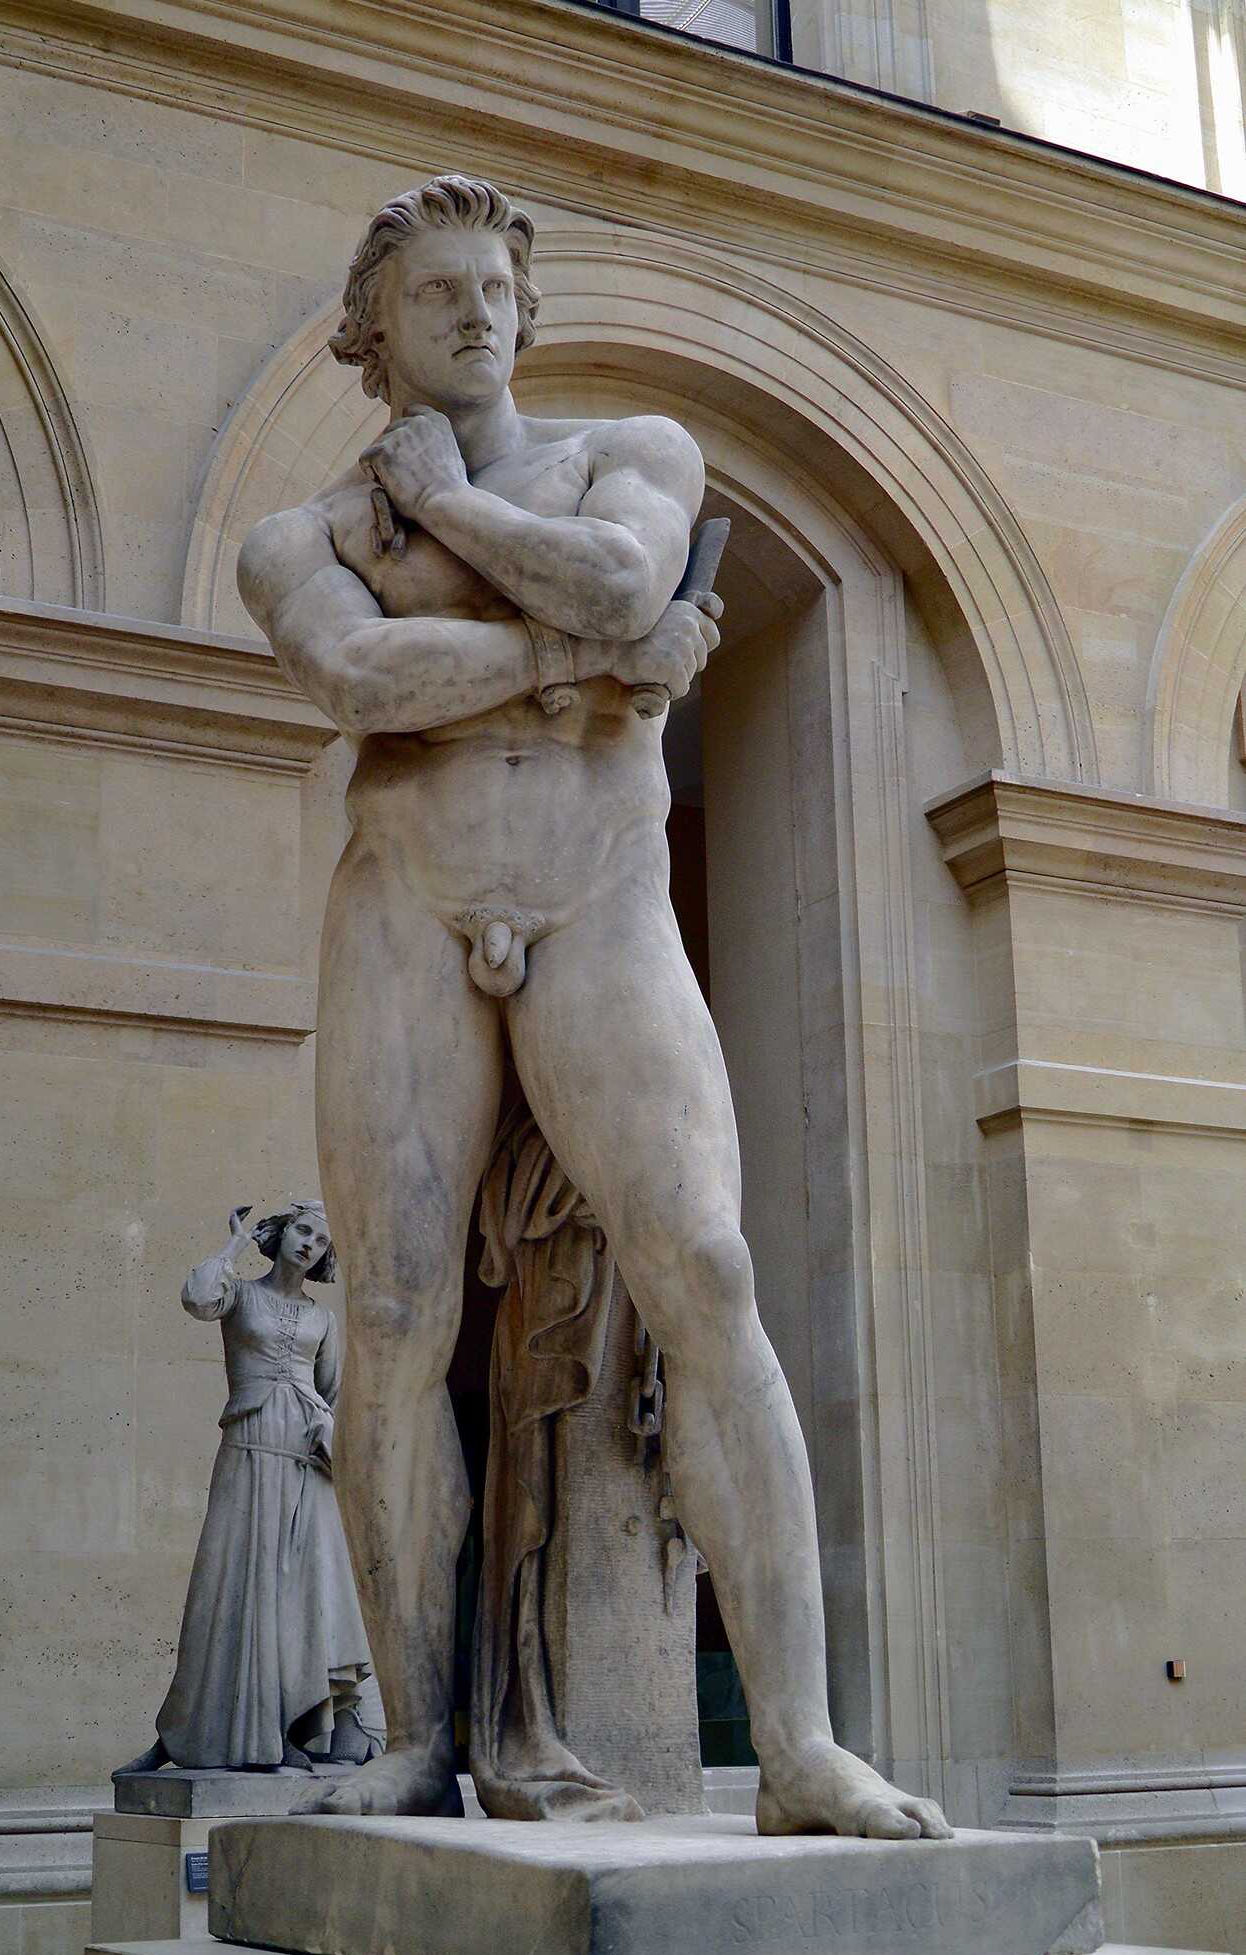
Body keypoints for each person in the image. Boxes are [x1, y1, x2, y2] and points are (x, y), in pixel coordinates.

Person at [237, 174, 949, 1840]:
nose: (474, 312)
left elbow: (632, 585)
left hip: (599, 884)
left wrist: (469, 534)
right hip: (407, 898)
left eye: (494, 287)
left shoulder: (634, 449)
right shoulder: (301, 540)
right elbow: (360, 682)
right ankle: (419, 1733)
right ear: (372, 333)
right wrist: (575, 664)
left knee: (702, 1260)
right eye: (434, 295)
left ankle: (796, 1746)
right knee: (399, 1319)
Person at [115, 1201, 382, 1775]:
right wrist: (234, 1244)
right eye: (303, 1231)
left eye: (320, 1240)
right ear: (282, 1233)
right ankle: (199, 1730)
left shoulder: (322, 1320)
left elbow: (334, 1392)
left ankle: (285, 1727)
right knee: (230, 1584)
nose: (309, 1243)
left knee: (301, 1596)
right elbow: (198, 1298)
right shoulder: (240, 1295)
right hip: (248, 1450)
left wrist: (330, 1435)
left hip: (305, 1465)